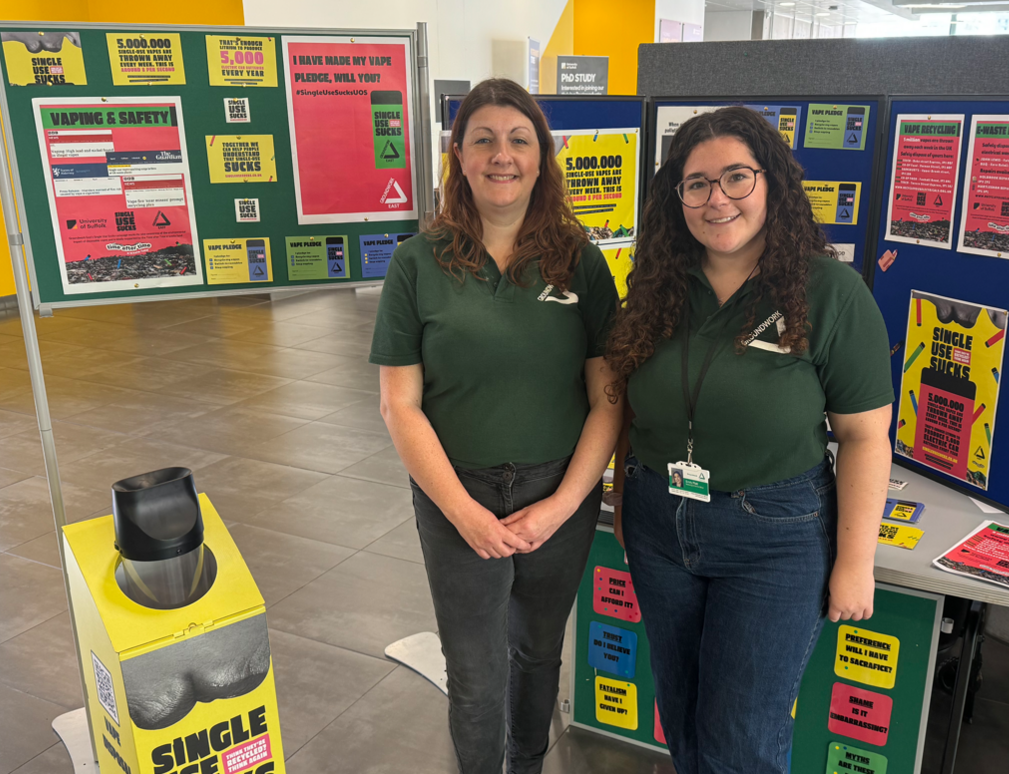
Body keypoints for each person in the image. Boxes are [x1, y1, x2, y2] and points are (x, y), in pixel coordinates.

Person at [605, 107, 894, 774]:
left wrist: (856, 561)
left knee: (741, 740)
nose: (718, 199)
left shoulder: (830, 293)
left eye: (737, 177)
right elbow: (629, 411)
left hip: (774, 537)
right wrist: (625, 498)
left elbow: (864, 436)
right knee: (683, 717)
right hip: (658, 526)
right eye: (696, 183)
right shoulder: (657, 288)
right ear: (675, 198)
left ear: (772, 184)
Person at [372, 78, 621, 774]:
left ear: (543, 157)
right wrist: (467, 515)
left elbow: (608, 399)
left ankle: (528, 765)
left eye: (519, 140)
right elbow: (399, 405)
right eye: (482, 139)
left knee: (540, 653)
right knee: (475, 674)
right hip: (457, 493)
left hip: (558, 493)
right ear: (459, 156)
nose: (501, 155)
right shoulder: (416, 264)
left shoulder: (580, 260)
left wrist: (566, 504)